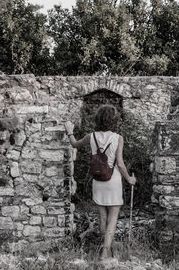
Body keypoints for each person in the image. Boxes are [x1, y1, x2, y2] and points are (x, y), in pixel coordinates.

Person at [64, 104, 136, 260]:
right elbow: (120, 163)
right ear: (114, 120)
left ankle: (106, 250)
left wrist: (69, 130)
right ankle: (105, 251)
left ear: (98, 119)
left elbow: (74, 144)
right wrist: (130, 179)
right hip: (113, 180)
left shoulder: (91, 137)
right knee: (113, 218)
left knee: (102, 218)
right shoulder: (118, 138)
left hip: (98, 180)